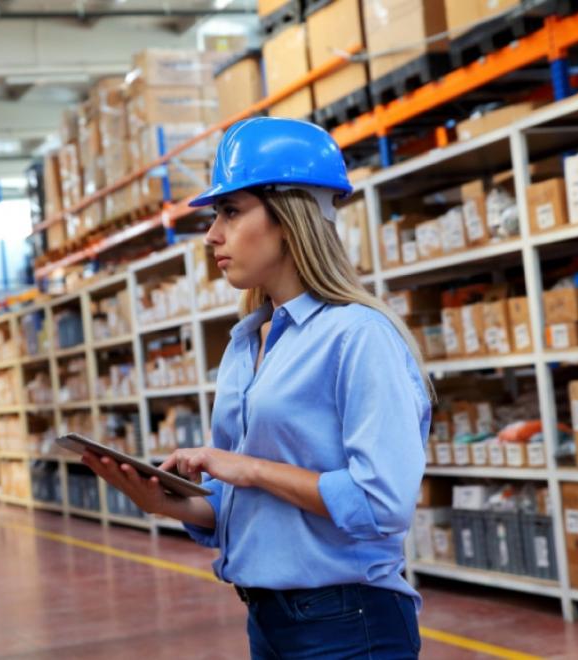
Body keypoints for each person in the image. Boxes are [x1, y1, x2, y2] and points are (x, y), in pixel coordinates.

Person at [82, 117, 432, 659]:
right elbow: (247, 509)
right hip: (267, 619)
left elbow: (382, 503)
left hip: (348, 623)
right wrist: (162, 501)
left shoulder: (358, 336)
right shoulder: (248, 342)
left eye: (231, 211)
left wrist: (245, 467)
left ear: (291, 217)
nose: (212, 234)